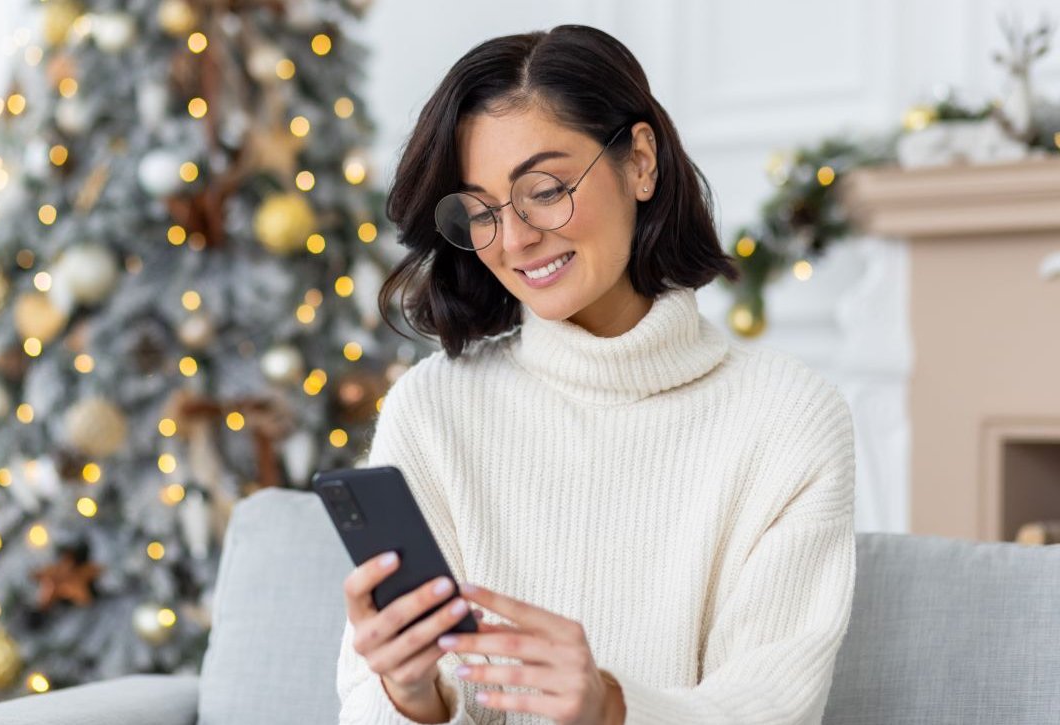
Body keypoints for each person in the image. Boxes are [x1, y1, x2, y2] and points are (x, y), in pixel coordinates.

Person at [336, 24, 856, 725]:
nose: (514, 239)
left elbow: (771, 704)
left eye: (544, 190)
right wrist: (410, 695)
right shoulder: (433, 410)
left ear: (640, 161)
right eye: (481, 211)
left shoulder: (789, 419)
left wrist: (611, 708)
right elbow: (365, 709)